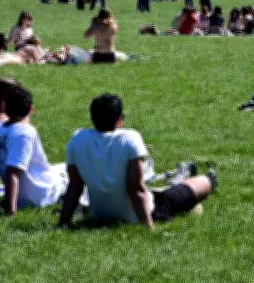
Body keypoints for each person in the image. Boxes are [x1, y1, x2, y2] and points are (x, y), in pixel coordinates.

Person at [58, 94, 218, 229]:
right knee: (204, 182)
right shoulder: (129, 138)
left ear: (92, 118)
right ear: (120, 119)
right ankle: (198, 181)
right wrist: (148, 227)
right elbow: (136, 189)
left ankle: (178, 180)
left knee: (160, 191)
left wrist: (63, 223)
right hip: (142, 211)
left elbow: (75, 187)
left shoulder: (77, 140)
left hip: (100, 213)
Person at [0, 85, 68, 215]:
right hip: (39, 195)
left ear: (4, 107)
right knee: (70, 169)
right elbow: (13, 173)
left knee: (60, 168)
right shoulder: (26, 132)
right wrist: (11, 211)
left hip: (18, 195)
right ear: (31, 109)